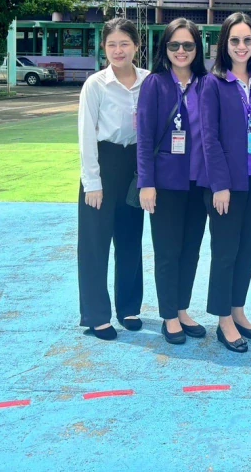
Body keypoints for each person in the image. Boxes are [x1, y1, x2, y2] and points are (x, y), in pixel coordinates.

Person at [198, 13, 251, 353]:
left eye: (247, 40)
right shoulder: (212, 83)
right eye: (234, 40)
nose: (241, 47)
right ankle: (222, 319)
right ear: (224, 45)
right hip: (227, 184)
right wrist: (219, 185)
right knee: (226, 251)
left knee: (249, 250)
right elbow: (208, 139)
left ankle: (238, 311)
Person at [136, 18, 209, 345]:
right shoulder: (155, 83)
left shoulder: (206, 83)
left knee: (191, 250)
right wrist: (146, 183)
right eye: (174, 45)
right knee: (167, 251)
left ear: (198, 48)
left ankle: (181, 308)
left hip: (199, 183)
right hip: (165, 184)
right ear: (164, 49)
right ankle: (168, 314)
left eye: (188, 45)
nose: (181, 51)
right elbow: (144, 136)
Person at [77, 18, 149, 341]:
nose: (118, 50)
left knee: (131, 238)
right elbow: (85, 135)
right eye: (111, 45)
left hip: (136, 165)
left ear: (136, 45)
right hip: (103, 165)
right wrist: (92, 181)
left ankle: (129, 307)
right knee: (95, 243)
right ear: (103, 48)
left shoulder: (149, 82)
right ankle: (96, 314)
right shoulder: (95, 85)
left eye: (124, 44)